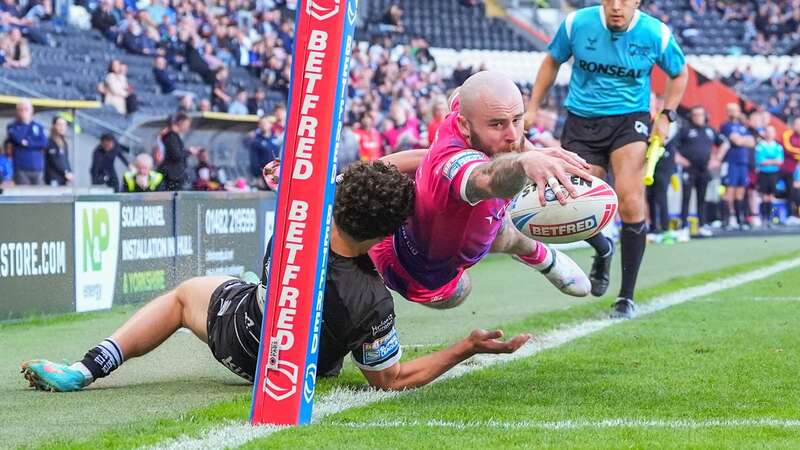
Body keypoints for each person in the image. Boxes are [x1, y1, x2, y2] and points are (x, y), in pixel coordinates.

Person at [20, 162, 531, 392]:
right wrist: (465, 346)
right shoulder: (374, 300)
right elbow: (392, 380)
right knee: (353, 342)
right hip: (297, 369)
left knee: (182, 297)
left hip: (241, 337)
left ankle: (88, 369)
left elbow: (354, 178)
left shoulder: (299, 215)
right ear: (386, 233)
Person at [370, 71, 592, 312]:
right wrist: (523, 162)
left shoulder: (463, 112)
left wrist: (531, 153)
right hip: (419, 274)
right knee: (461, 291)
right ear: (465, 125)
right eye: (497, 124)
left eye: (517, 120)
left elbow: (460, 95)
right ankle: (537, 253)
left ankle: (540, 257)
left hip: (433, 207)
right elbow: (488, 179)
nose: (513, 135)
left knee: (495, 222)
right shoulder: (456, 162)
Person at [525, 0, 688, 317]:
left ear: (637, 2)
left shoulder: (657, 33)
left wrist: (667, 114)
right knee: (575, 203)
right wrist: (533, 107)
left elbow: (679, 74)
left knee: (630, 200)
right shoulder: (576, 24)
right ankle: (603, 248)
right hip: (581, 120)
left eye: (625, 0)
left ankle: (626, 297)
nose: (616, 6)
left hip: (630, 120)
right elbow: (551, 61)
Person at [673, 106, 725, 237]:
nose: (698, 117)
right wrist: (680, 159)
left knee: (702, 197)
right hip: (689, 168)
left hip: (704, 168)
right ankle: (683, 226)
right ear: (691, 116)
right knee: (686, 197)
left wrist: (717, 158)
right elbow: (672, 146)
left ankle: (702, 224)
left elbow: (724, 143)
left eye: (700, 114)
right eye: (695, 115)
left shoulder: (710, 130)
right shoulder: (685, 130)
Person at [713, 103, 756, 230]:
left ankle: (740, 220)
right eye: (730, 110)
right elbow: (736, 140)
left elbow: (752, 142)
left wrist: (742, 140)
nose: (733, 113)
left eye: (735, 110)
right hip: (731, 162)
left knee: (741, 192)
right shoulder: (726, 126)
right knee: (729, 192)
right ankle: (726, 220)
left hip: (743, 162)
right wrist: (744, 140)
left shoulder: (742, 126)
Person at [5, 100, 47, 185]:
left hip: (38, 168)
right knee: (24, 196)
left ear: (32, 111)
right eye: (21, 109)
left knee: (39, 195)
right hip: (21, 168)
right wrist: (34, 141)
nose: (23, 112)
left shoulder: (38, 126)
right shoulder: (12, 126)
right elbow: (18, 139)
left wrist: (28, 142)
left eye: (26, 109)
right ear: (17, 111)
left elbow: (43, 143)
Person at [158, 113, 198, 191]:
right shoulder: (171, 136)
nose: (187, 127)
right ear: (180, 123)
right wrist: (189, 151)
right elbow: (176, 155)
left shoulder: (173, 136)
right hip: (172, 175)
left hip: (176, 175)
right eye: (186, 124)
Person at [754, 125, 783, 227]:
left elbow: (780, 161)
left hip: (774, 173)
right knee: (764, 197)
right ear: (765, 133)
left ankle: (771, 219)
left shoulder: (778, 146)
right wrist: (773, 161)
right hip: (764, 173)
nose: (770, 134)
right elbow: (760, 161)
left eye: (772, 131)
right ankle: (764, 218)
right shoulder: (760, 146)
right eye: (768, 131)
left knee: (771, 197)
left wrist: (768, 161)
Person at [249, 116, 281, 186]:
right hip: (263, 177)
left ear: (270, 124)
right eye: (261, 123)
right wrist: (258, 177)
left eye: (265, 123)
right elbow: (254, 161)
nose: (263, 125)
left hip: (275, 177)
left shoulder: (276, 140)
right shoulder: (256, 141)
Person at [780, 117, 800, 223]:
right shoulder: (787, 134)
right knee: (791, 192)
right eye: (797, 124)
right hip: (788, 169)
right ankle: (791, 215)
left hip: (798, 169)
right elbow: (788, 149)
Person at [44, 117, 73, 186]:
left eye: (64, 125)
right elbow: (55, 160)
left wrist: (69, 171)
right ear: (53, 126)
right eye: (59, 124)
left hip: (63, 178)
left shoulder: (64, 141)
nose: (62, 127)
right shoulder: (50, 141)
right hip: (53, 178)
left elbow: (65, 160)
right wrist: (66, 172)